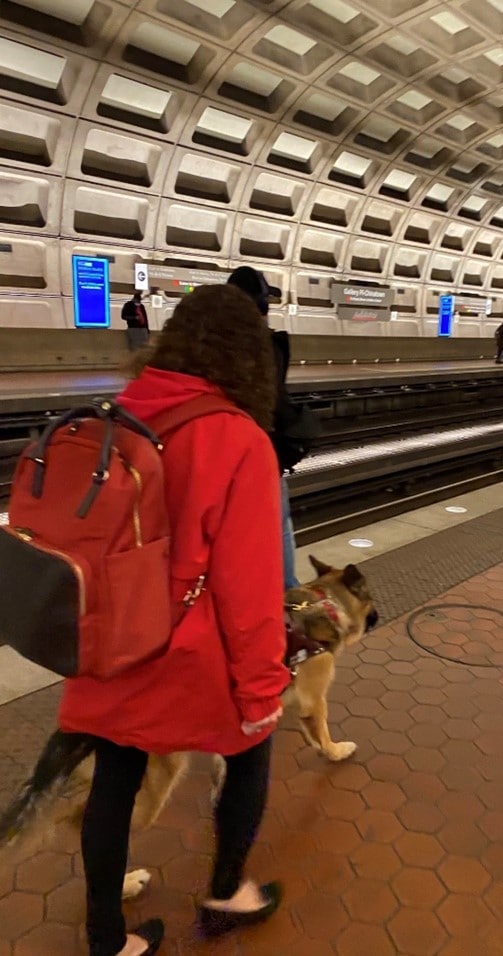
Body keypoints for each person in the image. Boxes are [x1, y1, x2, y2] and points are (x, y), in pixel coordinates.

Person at [59, 284, 290, 956]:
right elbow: (247, 592)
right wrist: (259, 691)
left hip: (109, 638)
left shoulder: (117, 411)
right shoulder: (239, 440)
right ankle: (224, 894)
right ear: (248, 356)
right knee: (249, 754)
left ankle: (108, 938)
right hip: (186, 652)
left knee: (114, 778)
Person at [227, 266, 315, 590]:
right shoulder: (264, 346)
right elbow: (274, 402)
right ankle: (288, 598)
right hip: (259, 452)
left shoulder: (205, 345)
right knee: (278, 525)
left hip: (220, 457)